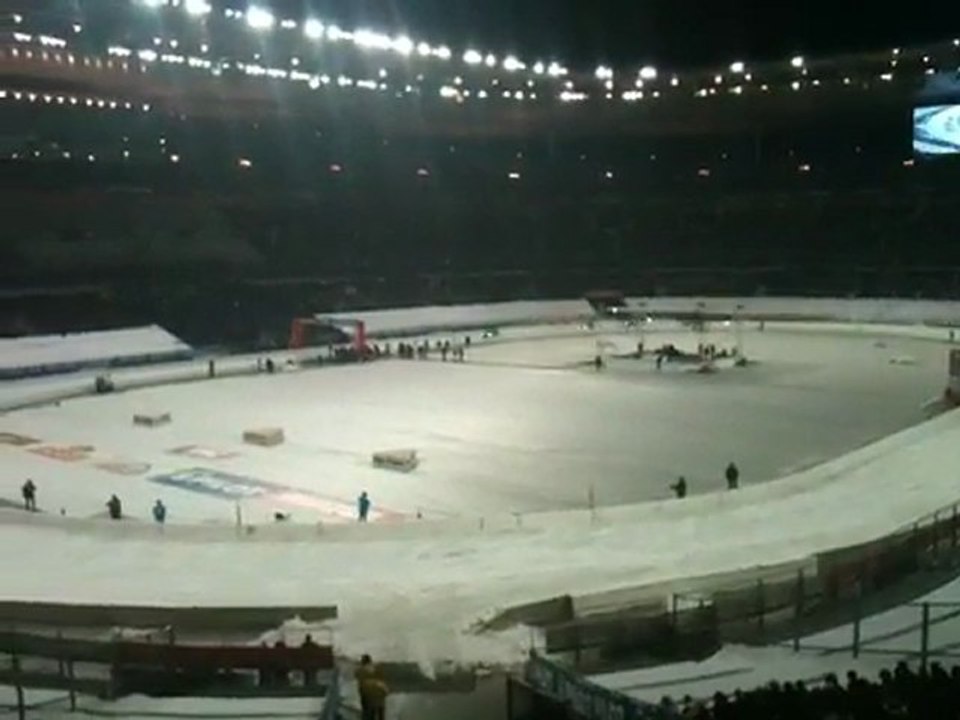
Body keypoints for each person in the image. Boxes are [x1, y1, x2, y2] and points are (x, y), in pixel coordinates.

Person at [355, 654, 388, 720]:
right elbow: (385, 687)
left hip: (368, 699)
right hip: (380, 698)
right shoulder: (377, 670)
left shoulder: (360, 671)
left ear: (362, 663)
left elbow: (360, 686)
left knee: (369, 715)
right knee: (380, 715)